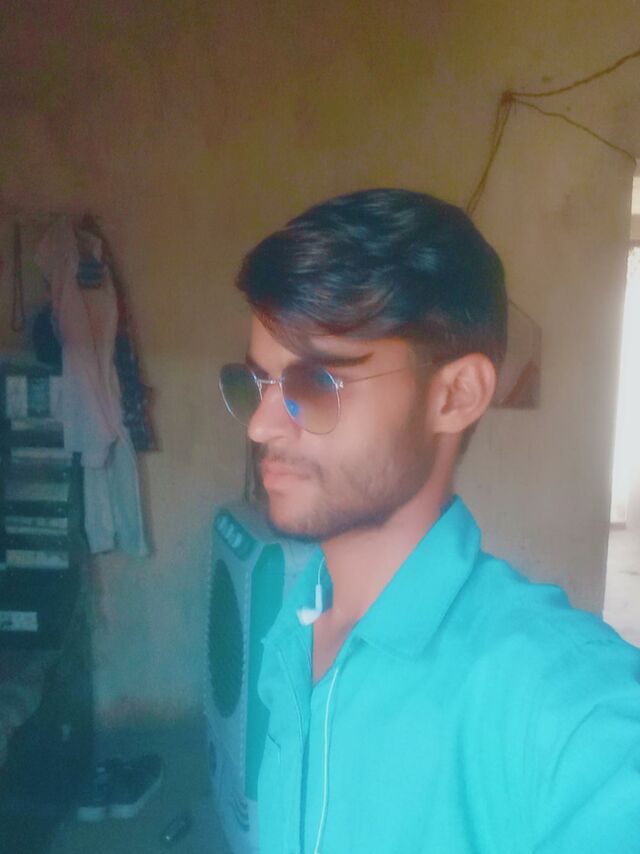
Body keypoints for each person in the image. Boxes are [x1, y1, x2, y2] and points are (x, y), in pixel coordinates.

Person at [218, 189, 640, 854]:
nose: (261, 426)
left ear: (456, 396)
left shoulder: (557, 701)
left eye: (314, 385)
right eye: (256, 385)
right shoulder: (298, 622)